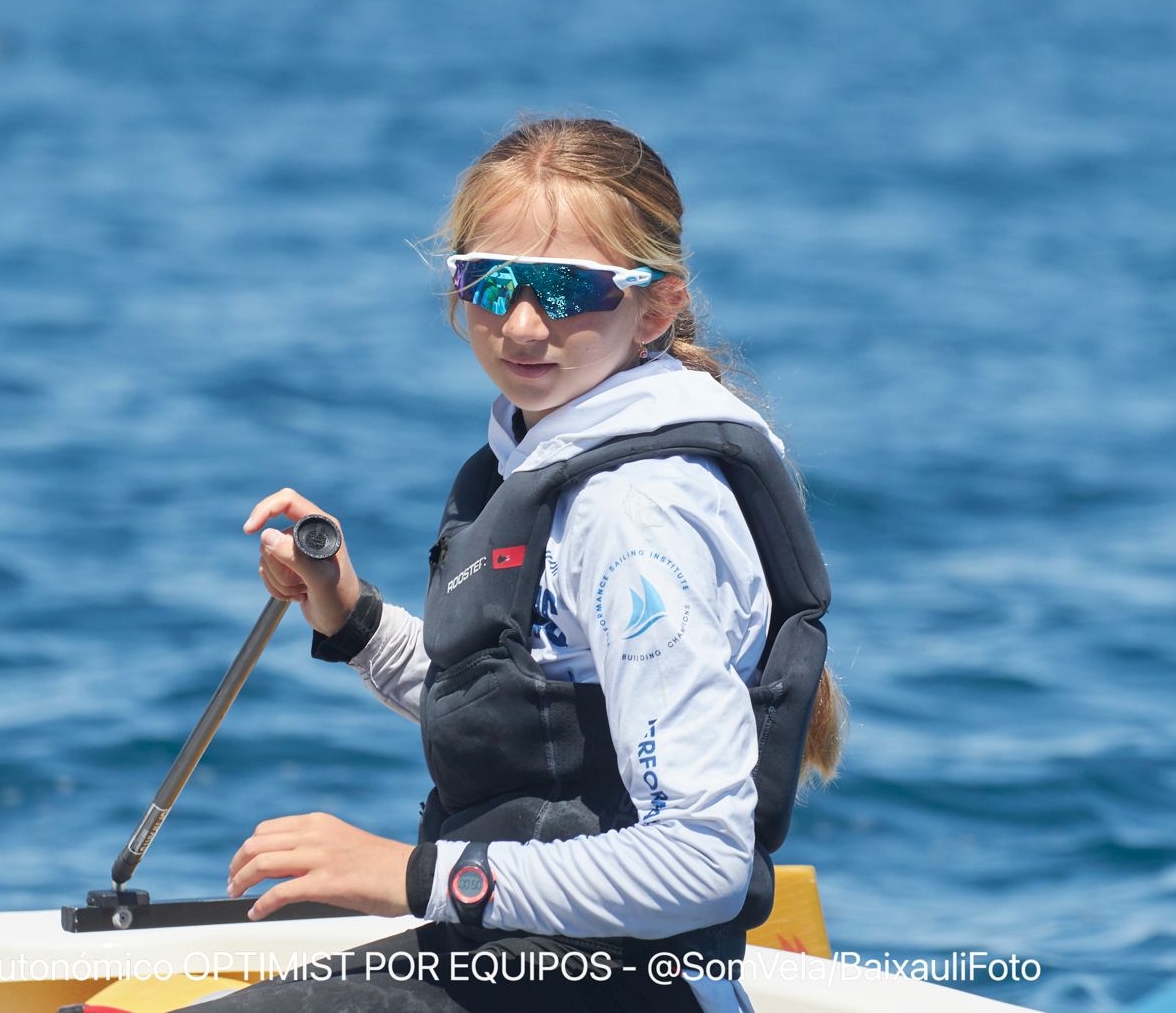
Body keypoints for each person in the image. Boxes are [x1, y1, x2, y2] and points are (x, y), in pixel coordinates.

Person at [217, 116, 846, 1013]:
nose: (520, 322)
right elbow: (526, 717)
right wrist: (348, 611)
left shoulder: (632, 514)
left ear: (656, 306)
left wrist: (414, 875)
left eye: (564, 288)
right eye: (491, 280)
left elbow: (704, 862)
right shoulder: (534, 455)